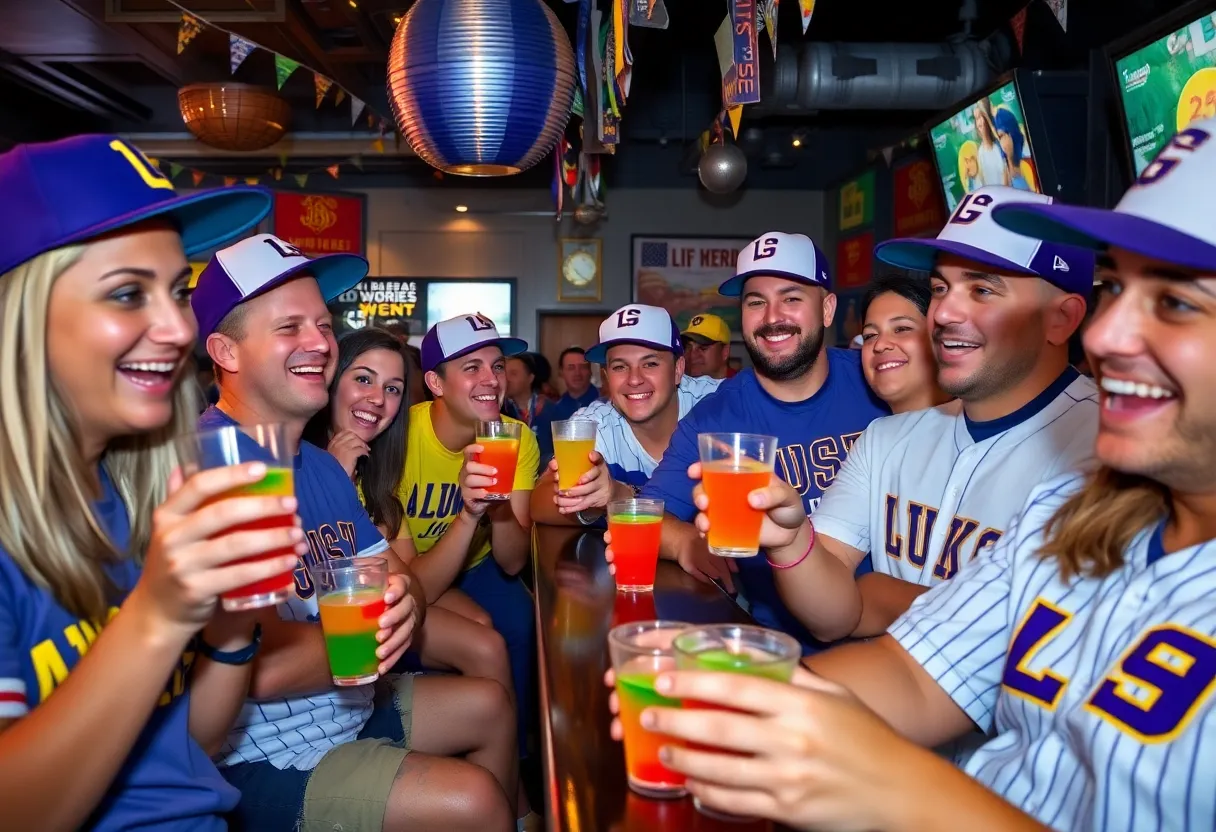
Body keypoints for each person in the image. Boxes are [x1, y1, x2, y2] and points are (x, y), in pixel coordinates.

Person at [605, 119, 1216, 832]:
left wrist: (886, 779)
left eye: (1174, 302)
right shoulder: (1070, 514)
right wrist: (720, 697)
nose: (1109, 336)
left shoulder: (1080, 456)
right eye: (1117, 288)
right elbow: (910, 674)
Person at [0, 133, 297, 830]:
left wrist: (232, 631)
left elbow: (182, 753)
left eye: (180, 292)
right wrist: (158, 616)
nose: (176, 328)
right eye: (128, 293)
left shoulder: (138, 491)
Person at [192, 238, 520, 830]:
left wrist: (400, 613)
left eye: (322, 323)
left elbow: (404, 587)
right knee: (474, 800)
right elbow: (253, 669)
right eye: (289, 326)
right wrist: (380, 631)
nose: (320, 342)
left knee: (492, 703)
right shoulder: (208, 464)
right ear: (225, 351)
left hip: (349, 704)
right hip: (264, 756)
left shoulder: (318, 464)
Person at [774, 186, 1097, 644]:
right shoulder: (886, 437)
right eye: (940, 288)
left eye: (982, 289)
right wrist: (789, 542)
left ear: (1060, 318)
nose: (943, 312)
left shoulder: (1110, 452)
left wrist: (892, 596)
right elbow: (833, 616)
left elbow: (1057, 644)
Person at [630, 232, 889, 653]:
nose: (772, 317)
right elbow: (645, 514)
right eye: (755, 302)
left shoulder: (878, 380)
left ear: (826, 309)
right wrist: (684, 542)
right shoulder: (714, 419)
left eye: (791, 298)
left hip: (903, 633)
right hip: (783, 650)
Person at [302, 328, 521, 748]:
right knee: (484, 642)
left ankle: (515, 801)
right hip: (320, 639)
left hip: (382, 618)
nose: (377, 399)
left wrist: (472, 512)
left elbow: (413, 582)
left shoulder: (381, 464)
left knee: (487, 636)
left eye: (393, 388)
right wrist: (334, 484)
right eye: (363, 379)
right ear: (330, 380)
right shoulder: (304, 458)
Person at [399, 312, 539, 759]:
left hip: (478, 565)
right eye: (471, 367)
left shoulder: (515, 437)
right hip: (409, 568)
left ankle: (513, 758)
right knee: (481, 633)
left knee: (522, 623)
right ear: (436, 384)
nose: (491, 379)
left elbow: (513, 561)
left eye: (497, 366)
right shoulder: (399, 435)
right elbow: (411, 580)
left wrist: (492, 501)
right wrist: (464, 510)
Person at [531, 304, 722, 524]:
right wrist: (592, 502)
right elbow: (539, 504)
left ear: (678, 369)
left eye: (650, 364)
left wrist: (620, 497)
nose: (634, 379)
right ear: (606, 376)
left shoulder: (716, 402)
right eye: (620, 367)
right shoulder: (596, 424)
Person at [858, 274, 951, 413]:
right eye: (870, 335)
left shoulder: (982, 426)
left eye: (902, 329)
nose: (880, 345)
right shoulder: (874, 433)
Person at [534, 346, 598, 462]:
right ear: (561, 372)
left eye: (583, 367)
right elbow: (543, 454)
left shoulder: (606, 404)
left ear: (590, 371)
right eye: (571, 368)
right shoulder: (551, 410)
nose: (577, 373)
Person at [680, 312, 733, 379]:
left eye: (703, 348)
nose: (692, 355)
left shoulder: (743, 387)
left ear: (725, 352)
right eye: (688, 347)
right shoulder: (674, 385)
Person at [502, 352, 548, 427]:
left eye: (513, 374)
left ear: (530, 378)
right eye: (505, 373)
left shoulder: (547, 409)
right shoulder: (500, 410)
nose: (507, 379)